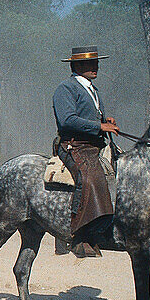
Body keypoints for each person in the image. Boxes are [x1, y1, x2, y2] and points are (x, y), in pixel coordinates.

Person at [53, 46, 119, 258]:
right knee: (88, 180)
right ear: (77, 66)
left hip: (93, 146)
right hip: (74, 146)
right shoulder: (66, 89)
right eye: (91, 63)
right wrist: (100, 127)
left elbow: (89, 117)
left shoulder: (93, 89)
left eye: (96, 62)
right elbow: (68, 120)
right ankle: (74, 234)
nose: (96, 67)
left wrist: (104, 121)